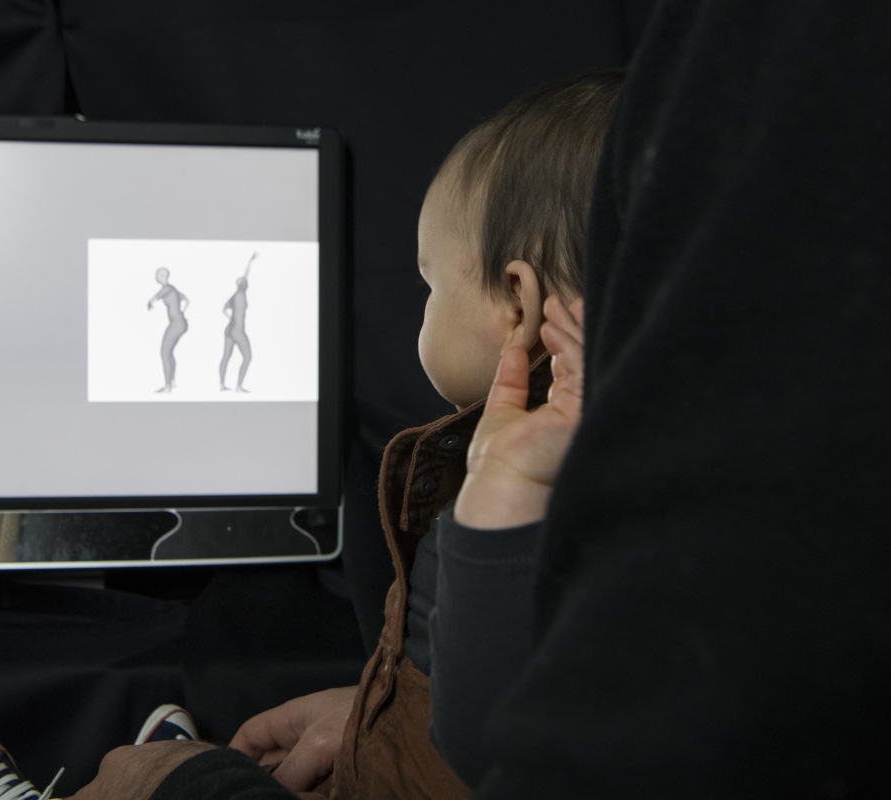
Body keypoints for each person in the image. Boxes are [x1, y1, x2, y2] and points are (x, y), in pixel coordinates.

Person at [77, 0, 891, 797]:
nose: (420, 307)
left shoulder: (523, 495)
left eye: (430, 284)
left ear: (515, 304)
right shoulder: (699, 479)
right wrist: (376, 712)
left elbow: (483, 745)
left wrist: (500, 503)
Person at [148, 267, 189, 393]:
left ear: (162, 276)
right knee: (169, 352)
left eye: (157, 275)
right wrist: (182, 312)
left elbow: (154, 298)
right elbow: (186, 300)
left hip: (177, 323)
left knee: (164, 353)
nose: (155, 277)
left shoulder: (168, 288)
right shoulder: (172, 289)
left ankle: (167, 387)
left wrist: (150, 303)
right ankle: (172, 381)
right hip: (180, 322)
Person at [220, 253, 255, 392]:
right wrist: (250, 261)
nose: (246, 282)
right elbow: (246, 275)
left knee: (226, 357)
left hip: (230, 329)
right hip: (238, 330)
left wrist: (231, 318)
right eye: (243, 282)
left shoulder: (234, 296)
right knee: (247, 357)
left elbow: (224, 309)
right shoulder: (240, 293)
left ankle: (222, 385)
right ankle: (239, 386)